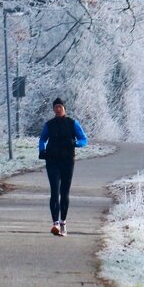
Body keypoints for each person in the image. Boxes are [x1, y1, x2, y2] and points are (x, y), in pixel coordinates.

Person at [38, 97, 87, 236]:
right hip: (52, 161)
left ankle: (63, 222)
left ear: (64, 108)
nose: (58, 109)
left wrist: (76, 143)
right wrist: (42, 149)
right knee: (54, 191)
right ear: (53, 109)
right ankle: (55, 224)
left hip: (67, 161)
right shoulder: (49, 124)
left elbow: (84, 139)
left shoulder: (72, 123)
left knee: (64, 192)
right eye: (56, 107)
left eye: (60, 106)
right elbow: (42, 138)